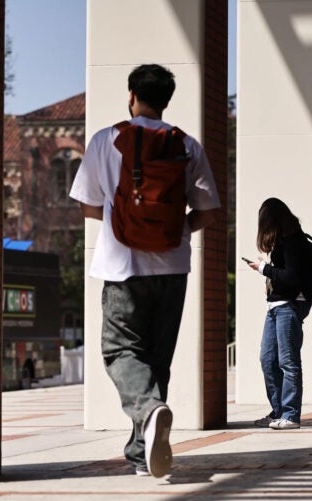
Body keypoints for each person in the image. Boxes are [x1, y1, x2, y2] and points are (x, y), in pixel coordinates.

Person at [69, 64, 220, 477]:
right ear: (167, 100)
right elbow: (207, 211)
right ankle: (142, 456)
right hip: (173, 267)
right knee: (156, 360)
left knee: (120, 351)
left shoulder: (106, 140)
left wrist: (123, 224)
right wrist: (176, 231)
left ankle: (150, 414)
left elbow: (85, 204)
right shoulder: (186, 145)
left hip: (123, 266)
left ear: (131, 95)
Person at [246, 198, 312, 430]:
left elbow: (292, 277)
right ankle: (278, 412)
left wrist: (264, 269)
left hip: (290, 306)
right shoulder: (282, 242)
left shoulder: (294, 242)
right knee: (268, 360)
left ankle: (291, 415)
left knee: (288, 361)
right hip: (275, 307)